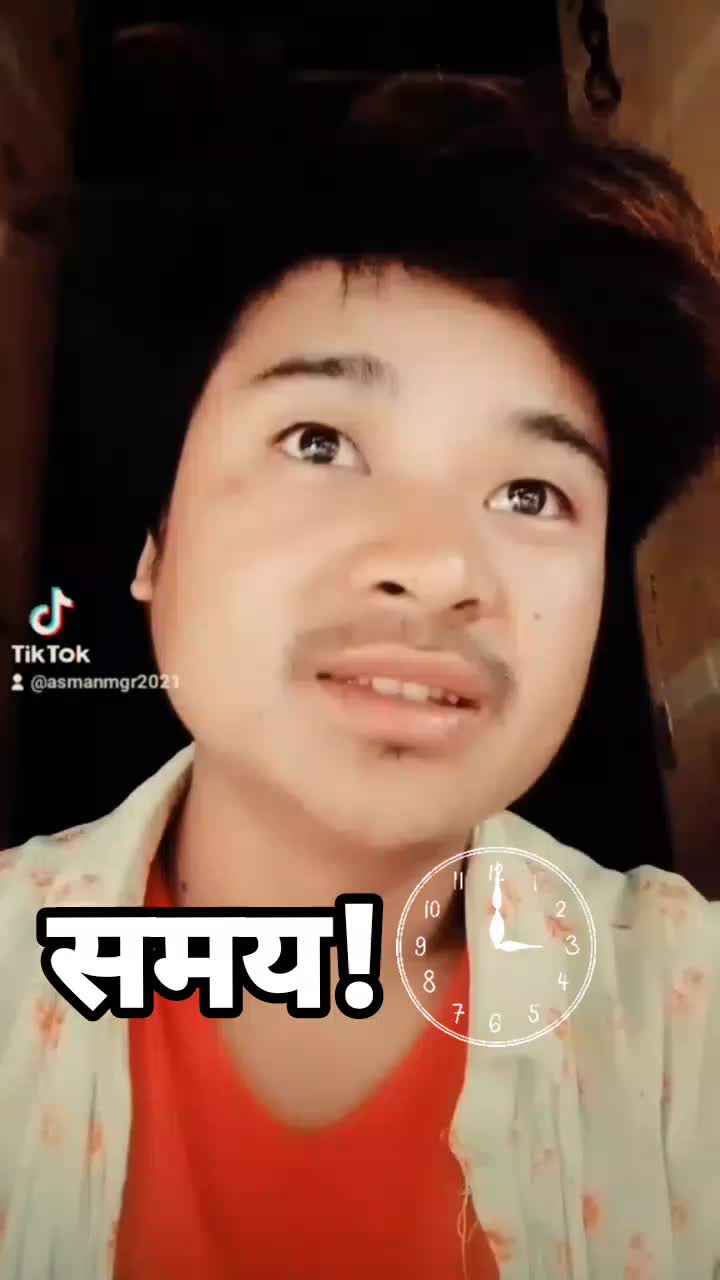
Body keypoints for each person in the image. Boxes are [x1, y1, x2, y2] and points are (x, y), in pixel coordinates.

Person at [1, 72, 719, 1280]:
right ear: (156, 549)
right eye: (319, 441)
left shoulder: (680, 1024)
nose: (437, 566)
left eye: (530, 493)